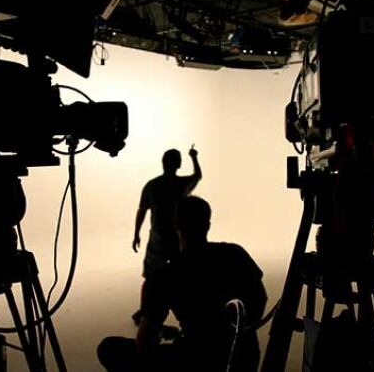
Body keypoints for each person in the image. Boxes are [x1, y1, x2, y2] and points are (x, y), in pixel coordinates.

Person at [100, 196, 267, 372]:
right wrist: (235, 332)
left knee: (108, 347)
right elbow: (260, 297)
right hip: (243, 359)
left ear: (176, 225)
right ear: (207, 225)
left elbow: (145, 343)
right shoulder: (234, 253)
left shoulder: (166, 274)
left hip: (193, 360)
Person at [131, 147, 201, 323]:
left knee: (150, 277)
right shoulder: (181, 185)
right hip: (177, 239)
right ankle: (187, 313)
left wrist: (136, 233)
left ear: (163, 163)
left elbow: (142, 210)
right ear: (178, 164)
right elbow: (197, 176)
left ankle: (144, 310)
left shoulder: (152, 185)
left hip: (158, 239)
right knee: (181, 277)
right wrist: (194, 158)